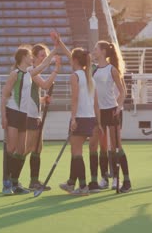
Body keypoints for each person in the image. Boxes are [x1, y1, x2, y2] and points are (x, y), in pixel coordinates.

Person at [1, 44, 56, 195]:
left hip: (24, 115)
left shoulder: (29, 73)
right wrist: (3, 116)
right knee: (11, 148)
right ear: (23, 57)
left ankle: (15, 182)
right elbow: (5, 94)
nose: (32, 57)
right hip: (13, 113)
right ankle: (7, 182)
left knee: (21, 149)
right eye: (30, 55)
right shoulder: (15, 74)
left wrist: (56, 50)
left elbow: (44, 65)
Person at [58, 48, 102, 196]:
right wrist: (98, 122)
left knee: (77, 153)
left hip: (81, 117)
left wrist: (73, 118)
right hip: (90, 119)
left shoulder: (75, 76)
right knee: (75, 151)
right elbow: (96, 104)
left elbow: (75, 98)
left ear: (74, 60)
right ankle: (71, 183)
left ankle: (83, 186)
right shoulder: (90, 77)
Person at [90, 40, 131, 193]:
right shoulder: (93, 69)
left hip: (111, 111)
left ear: (103, 52)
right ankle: (104, 179)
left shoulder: (112, 69)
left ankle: (121, 180)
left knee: (115, 147)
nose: (94, 51)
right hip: (98, 112)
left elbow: (122, 91)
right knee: (102, 147)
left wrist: (119, 107)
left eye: (96, 49)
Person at [24, 44, 61, 191]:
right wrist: (56, 70)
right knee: (28, 148)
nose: (44, 59)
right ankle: (11, 177)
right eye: (42, 56)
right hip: (30, 114)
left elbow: (34, 94)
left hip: (35, 113)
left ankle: (34, 181)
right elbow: (45, 85)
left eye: (45, 56)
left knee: (38, 147)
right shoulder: (31, 71)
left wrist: (42, 100)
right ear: (34, 57)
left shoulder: (34, 73)